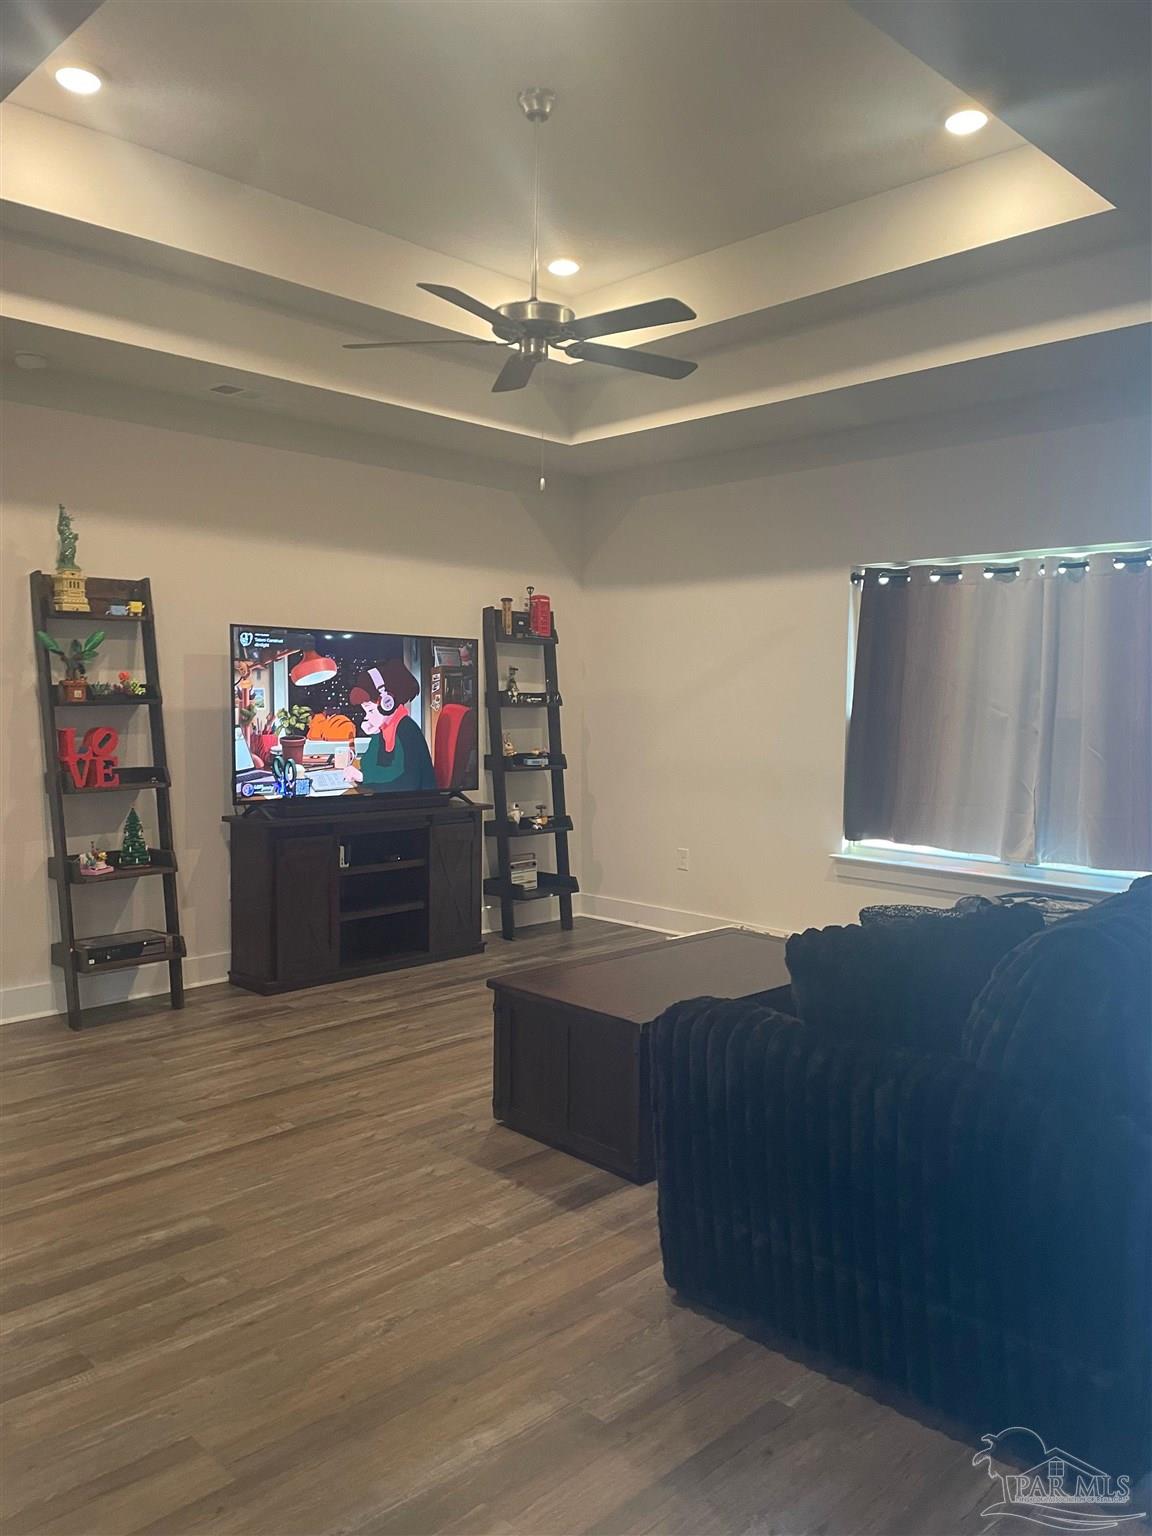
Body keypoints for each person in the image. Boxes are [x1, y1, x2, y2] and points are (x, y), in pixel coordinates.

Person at [342, 660, 437, 793]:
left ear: (387, 704)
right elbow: (367, 764)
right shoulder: (383, 730)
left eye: (370, 710)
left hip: (416, 801)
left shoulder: (406, 731)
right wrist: (363, 774)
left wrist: (363, 777)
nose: (367, 717)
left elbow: (407, 783)